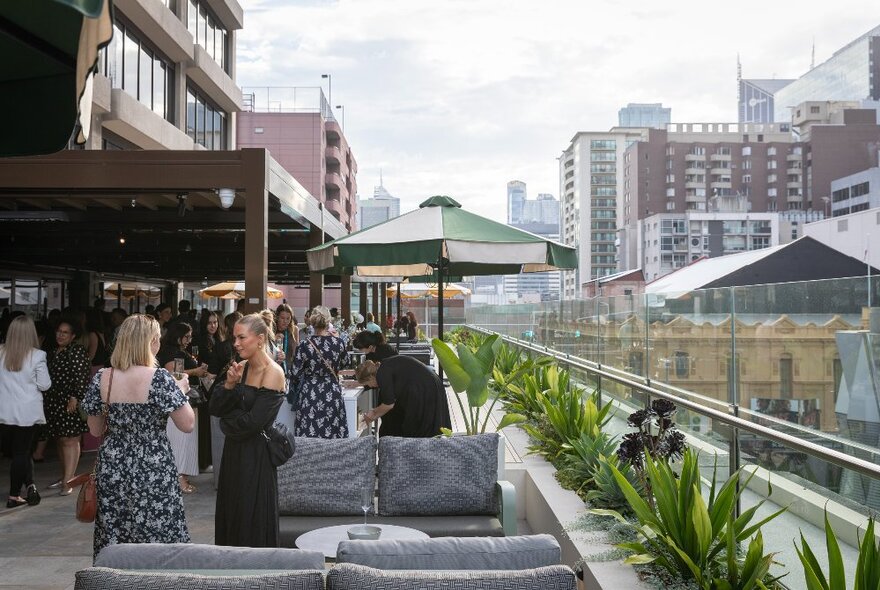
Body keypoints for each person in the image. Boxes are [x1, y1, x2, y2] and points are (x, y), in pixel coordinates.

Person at [82, 314, 194, 560]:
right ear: (151, 342)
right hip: (152, 463)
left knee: (115, 529)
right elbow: (187, 424)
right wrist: (180, 391)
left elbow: (95, 429)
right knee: (159, 528)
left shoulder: (103, 377)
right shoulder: (160, 379)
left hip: (113, 465)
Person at [209, 313, 286, 547]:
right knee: (232, 511)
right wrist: (230, 385)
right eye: (235, 337)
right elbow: (215, 407)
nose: (236, 343)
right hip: (234, 453)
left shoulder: (273, 372)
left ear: (260, 339)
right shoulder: (239, 368)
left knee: (252, 514)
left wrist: (227, 422)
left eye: (242, 337)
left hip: (257, 456)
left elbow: (254, 423)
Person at [0, 316, 51, 508]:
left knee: (16, 453)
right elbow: (45, 385)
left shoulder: (0, 352)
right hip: (27, 412)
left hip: (4, 411)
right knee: (22, 452)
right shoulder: (37, 355)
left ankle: (30, 485)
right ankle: (14, 496)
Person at [157, 322, 207, 494]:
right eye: (186, 336)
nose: (189, 340)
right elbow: (176, 374)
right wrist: (196, 371)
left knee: (183, 440)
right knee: (182, 440)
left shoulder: (171, 350)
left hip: (179, 400)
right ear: (178, 336)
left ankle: (181, 477)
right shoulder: (173, 352)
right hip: (181, 400)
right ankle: (180, 478)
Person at [44, 319, 90, 495]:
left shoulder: (76, 351)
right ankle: (65, 476)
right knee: (60, 438)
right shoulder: (53, 352)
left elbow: (81, 376)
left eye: (65, 332)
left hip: (69, 400)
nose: (60, 335)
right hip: (54, 400)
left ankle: (68, 480)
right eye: (58, 331)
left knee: (70, 439)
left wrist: (75, 397)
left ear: (73, 336)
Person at [355, 356, 451, 438]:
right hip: (429, 383)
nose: (371, 387)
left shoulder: (382, 374)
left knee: (421, 427)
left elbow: (388, 404)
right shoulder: (384, 366)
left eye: (368, 383)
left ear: (370, 377)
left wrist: (371, 415)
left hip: (423, 388)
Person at [292, 306, 347, 438]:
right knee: (333, 432)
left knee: (308, 434)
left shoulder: (304, 345)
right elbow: (345, 363)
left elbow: (295, 372)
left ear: (311, 322)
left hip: (309, 392)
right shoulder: (338, 343)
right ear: (328, 322)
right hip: (332, 391)